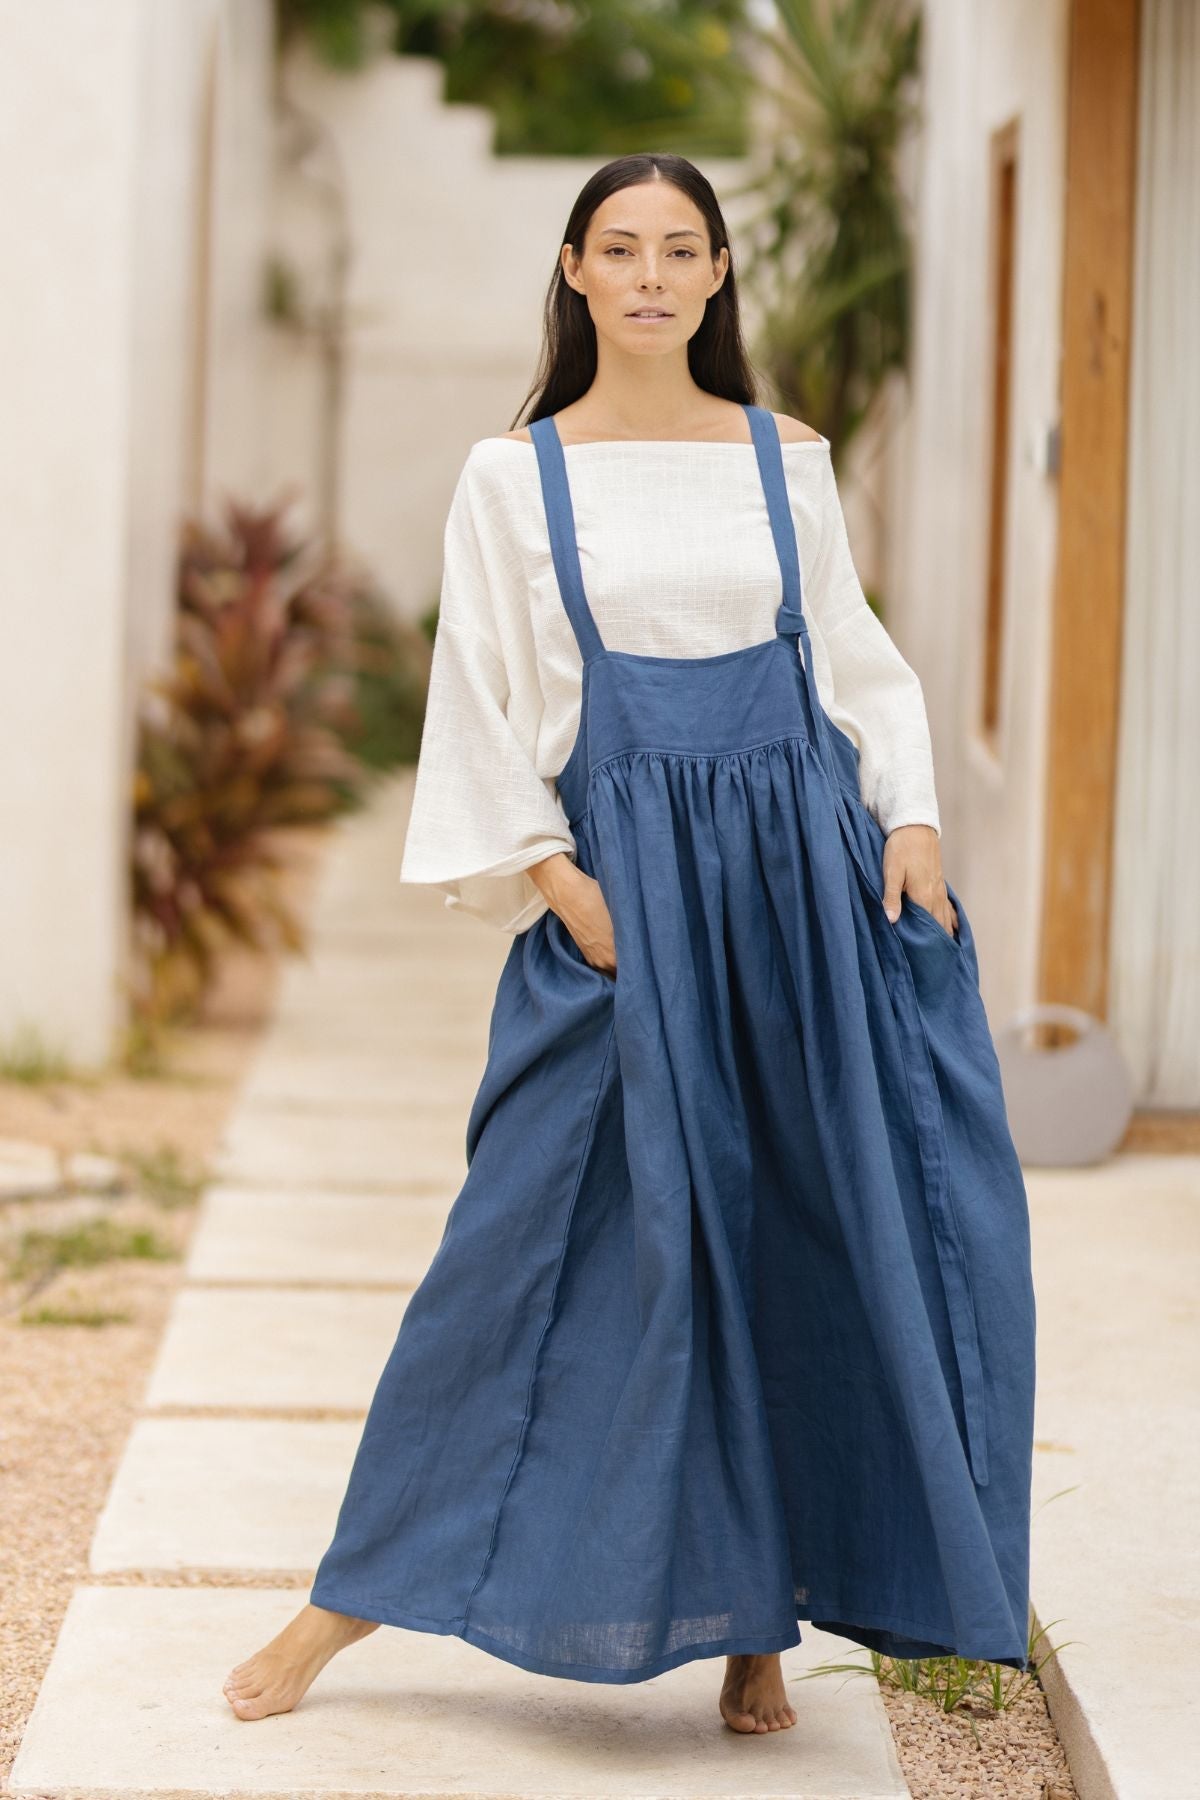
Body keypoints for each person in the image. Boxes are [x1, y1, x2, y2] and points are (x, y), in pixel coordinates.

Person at [223, 152, 1036, 1737]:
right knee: (518, 1240)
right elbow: (478, 697)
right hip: (623, 904)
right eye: (622, 249)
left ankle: (758, 1630)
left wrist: (915, 820)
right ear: (578, 272)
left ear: (722, 274)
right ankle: (349, 1598)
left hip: (802, 891)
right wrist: (557, 879)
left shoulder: (782, 458)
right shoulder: (512, 478)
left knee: (803, 1227)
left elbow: (858, 664)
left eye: (682, 248)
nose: (653, 275)